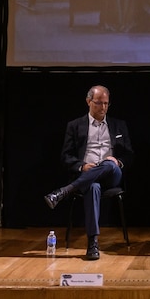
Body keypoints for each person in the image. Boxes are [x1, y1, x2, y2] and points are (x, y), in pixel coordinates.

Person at [43, 85, 134, 260]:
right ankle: (92, 243)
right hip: (87, 176)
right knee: (92, 187)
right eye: (99, 103)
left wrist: (118, 161)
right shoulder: (75, 126)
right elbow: (66, 156)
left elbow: (129, 155)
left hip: (112, 175)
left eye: (106, 103)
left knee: (108, 163)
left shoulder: (118, 125)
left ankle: (65, 191)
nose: (103, 108)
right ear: (88, 102)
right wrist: (82, 166)